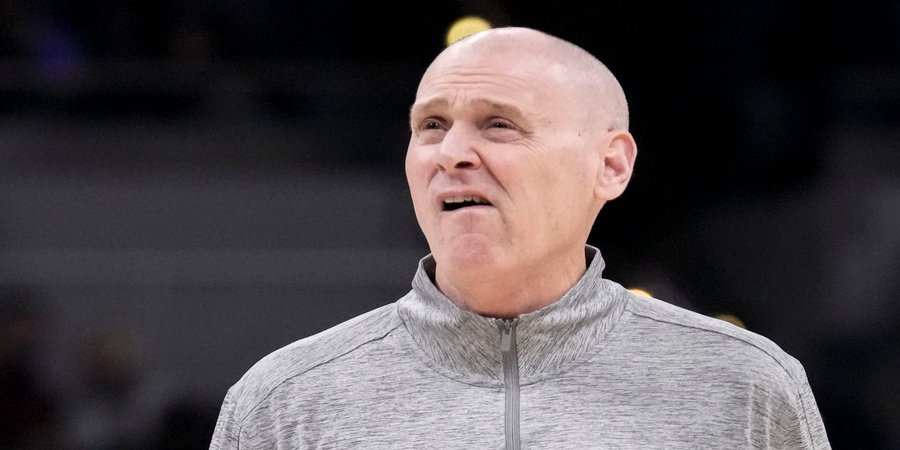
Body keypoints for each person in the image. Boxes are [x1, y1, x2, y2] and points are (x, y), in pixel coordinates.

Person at [209, 26, 830, 449]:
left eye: (498, 125)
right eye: (431, 126)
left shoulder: (745, 386)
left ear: (611, 164)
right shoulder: (284, 402)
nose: (451, 153)